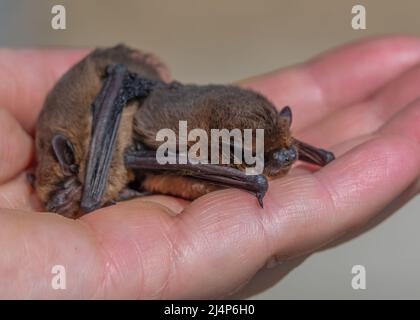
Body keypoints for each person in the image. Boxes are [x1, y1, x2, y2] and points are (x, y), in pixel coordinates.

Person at [0, 36, 419, 299]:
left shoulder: (121, 139)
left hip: (150, 112)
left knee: (112, 178)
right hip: (140, 110)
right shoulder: (103, 142)